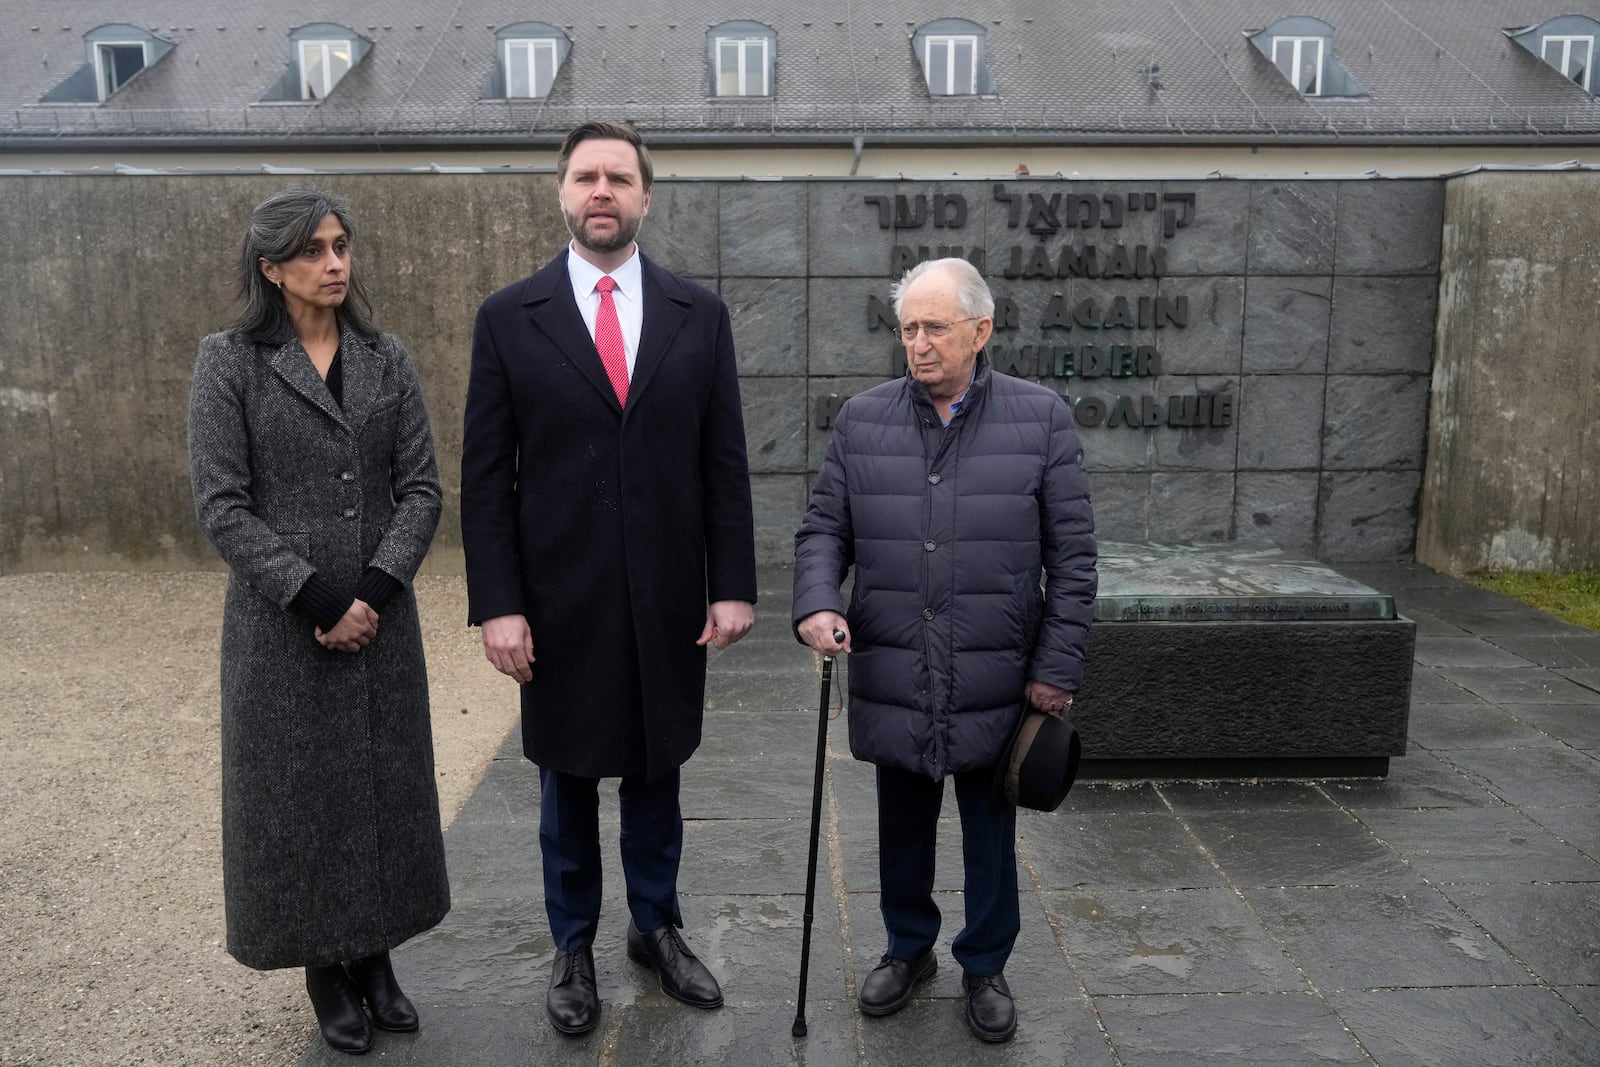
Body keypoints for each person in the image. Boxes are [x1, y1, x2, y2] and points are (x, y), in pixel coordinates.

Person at [460, 120, 757, 1036]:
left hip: (667, 594)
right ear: (561, 191)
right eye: (586, 176)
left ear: (646, 196)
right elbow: (484, 476)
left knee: (657, 772)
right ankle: (573, 944)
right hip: (561, 601)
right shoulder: (511, 317)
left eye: (619, 178)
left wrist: (733, 581)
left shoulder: (696, 315)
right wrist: (498, 605)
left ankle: (656, 927)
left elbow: (723, 461)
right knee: (568, 783)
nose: (602, 191)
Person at [792, 257, 1097, 1043]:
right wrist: (818, 602)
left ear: (981, 330)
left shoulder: (1041, 418)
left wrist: (1056, 668)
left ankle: (986, 962)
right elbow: (825, 528)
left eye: (935, 327)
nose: (918, 344)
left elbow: (1073, 559)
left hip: (996, 666)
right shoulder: (863, 420)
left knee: (989, 827)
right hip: (894, 656)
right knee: (901, 816)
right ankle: (907, 945)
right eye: (908, 329)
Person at [187, 187, 450, 1055]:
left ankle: (376, 957)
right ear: (270, 268)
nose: (335, 263)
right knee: (301, 799)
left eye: (341, 245)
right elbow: (222, 506)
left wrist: (373, 589)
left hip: (381, 622)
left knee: (379, 790)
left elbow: (421, 487)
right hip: (283, 632)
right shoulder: (228, 363)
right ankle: (323, 971)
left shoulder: (387, 358)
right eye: (313, 250)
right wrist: (316, 599)